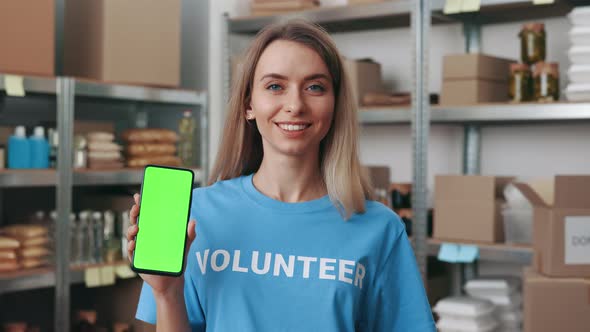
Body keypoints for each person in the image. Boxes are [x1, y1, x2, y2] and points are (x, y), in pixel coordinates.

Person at [127, 19, 435, 331]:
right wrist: (166, 294)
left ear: (335, 104)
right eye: (275, 86)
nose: (295, 105)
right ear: (249, 103)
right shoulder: (197, 214)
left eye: (315, 87)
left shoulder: (379, 228)